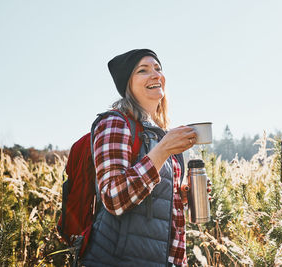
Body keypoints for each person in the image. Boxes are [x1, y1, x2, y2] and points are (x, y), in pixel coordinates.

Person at [81, 49, 197, 267]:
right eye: (143, 70)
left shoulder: (160, 134)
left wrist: (184, 193)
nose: (155, 74)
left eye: (158, 68)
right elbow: (114, 198)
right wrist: (162, 151)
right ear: (128, 85)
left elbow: (156, 205)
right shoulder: (115, 124)